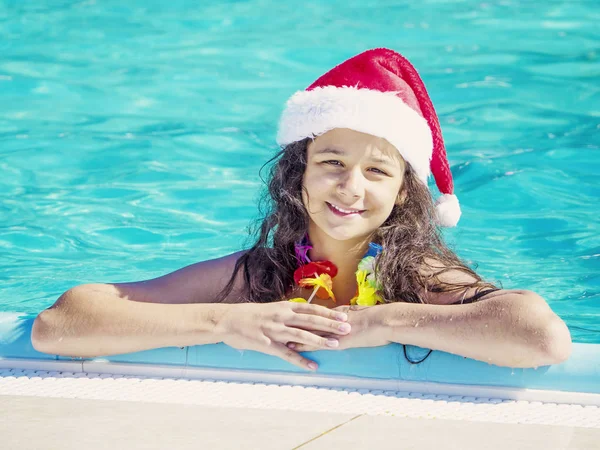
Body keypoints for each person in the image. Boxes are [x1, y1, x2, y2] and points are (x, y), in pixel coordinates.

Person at [31, 48, 572, 372]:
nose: (350, 187)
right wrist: (225, 320)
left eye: (377, 171)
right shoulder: (257, 276)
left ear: (404, 193)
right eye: (332, 162)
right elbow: (60, 325)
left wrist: (382, 322)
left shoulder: (416, 276)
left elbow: (541, 335)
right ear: (300, 173)